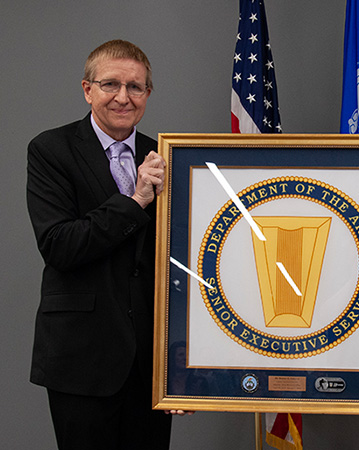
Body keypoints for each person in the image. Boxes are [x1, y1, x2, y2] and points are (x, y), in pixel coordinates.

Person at [26, 39, 178, 450]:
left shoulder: (167, 155)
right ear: (87, 89)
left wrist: (179, 368)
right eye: (111, 84)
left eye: (136, 87)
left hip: (151, 364)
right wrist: (136, 201)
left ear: (148, 93)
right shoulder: (50, 150)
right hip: (81, 357)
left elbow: (179, 262)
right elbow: (60, 245)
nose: (123, 97)